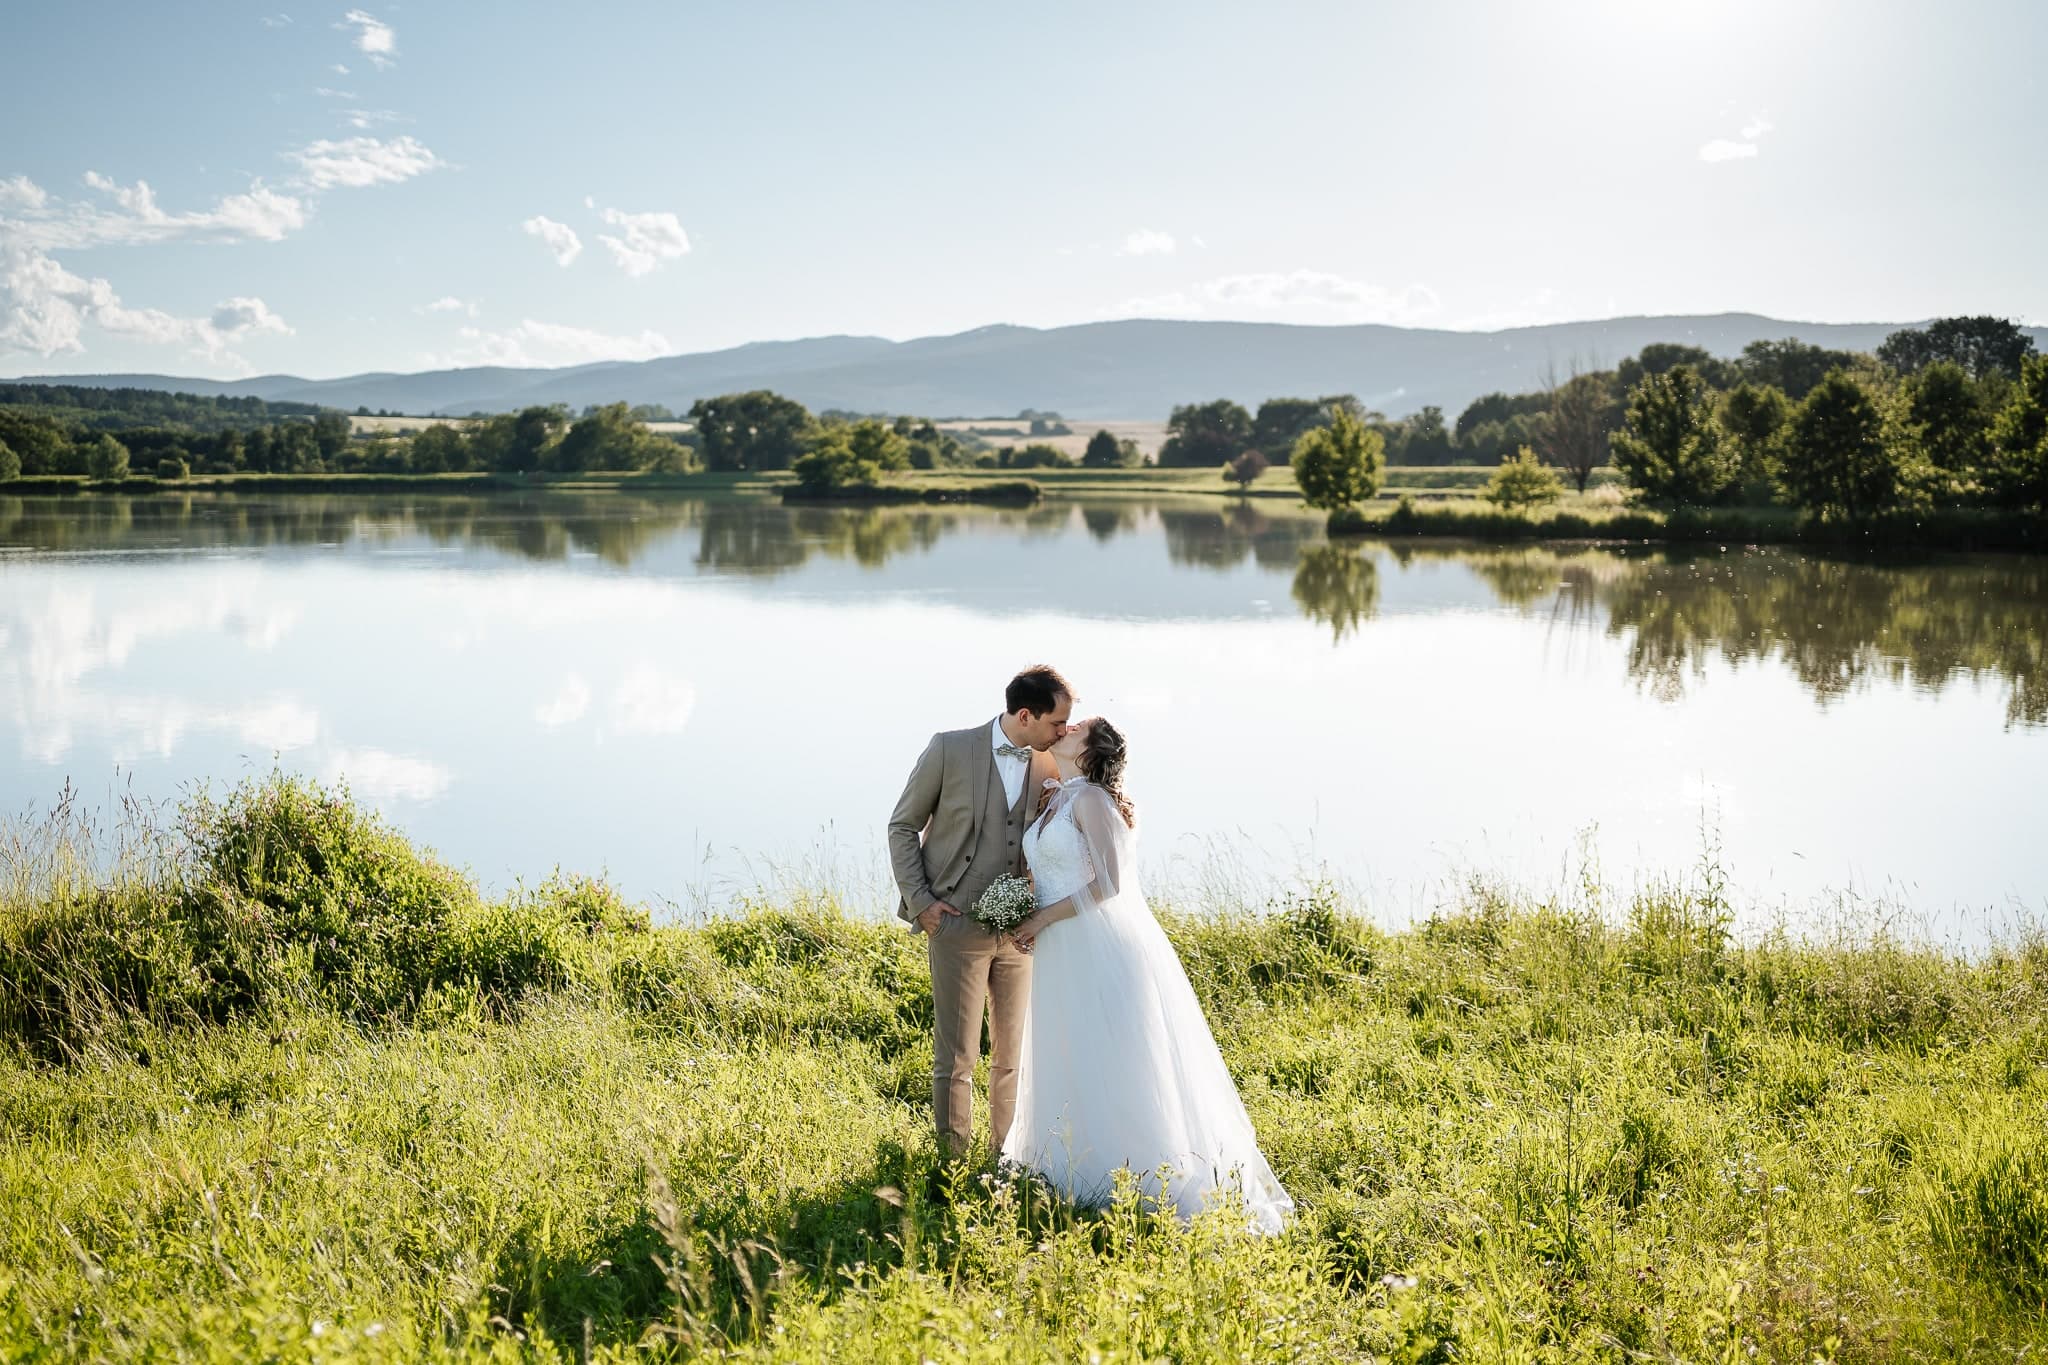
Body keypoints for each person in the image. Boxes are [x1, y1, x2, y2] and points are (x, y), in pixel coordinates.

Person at [1004, 717, 1294, 1234]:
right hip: (1060, 949)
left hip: (1096, 944)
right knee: (1067, 1052)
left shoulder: (1092, 799)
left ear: (1091, 749)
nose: (1066, 727)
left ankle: (1136, 1173)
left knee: (1112, 1059)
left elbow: (1109, 884)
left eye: (1078, 727)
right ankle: (1068, 1170)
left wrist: (1041, 918)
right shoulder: (1061, 795)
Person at [888, 665, 1071, 1157]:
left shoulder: (1050, 760)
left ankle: (1004, 1157)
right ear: (1026, 715)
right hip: (954, 921)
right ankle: (952, 1164)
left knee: (1011, 1055)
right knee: (957, 1056)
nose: (1063, 732)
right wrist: (922, 903)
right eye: (1057, 723)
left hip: (1020, 933)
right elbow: (902, 825)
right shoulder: (949, 749)